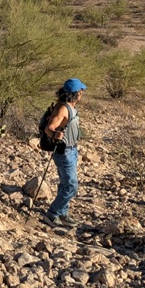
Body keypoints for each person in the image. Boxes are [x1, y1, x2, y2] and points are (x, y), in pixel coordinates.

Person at [43, 78, 86, 227]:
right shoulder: (62, 108)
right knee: (71, 186)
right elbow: (49, 128)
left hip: (72, 150)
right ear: (75, 93)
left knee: (65, 184)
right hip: (64, 152)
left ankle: (62, 213)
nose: (82, 93)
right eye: (81, 91)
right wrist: (55, 135)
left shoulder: (70, 106)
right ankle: (52, 214)